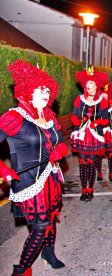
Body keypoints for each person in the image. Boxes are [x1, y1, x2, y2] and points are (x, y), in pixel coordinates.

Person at [0, 59, 68, 275]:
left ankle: (48, 253)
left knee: (51, 217)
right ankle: (21, 269)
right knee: (40, 226)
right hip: (28, 182)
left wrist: (60, 151)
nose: (46, 94)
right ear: (28, 90)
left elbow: (62, 142)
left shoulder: (49, 116)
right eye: (41, 89)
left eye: (48, 90)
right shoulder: (14, 117)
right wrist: (3, 170)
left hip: (51, 177)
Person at [71, 67, 109, 201]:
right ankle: (83, 189)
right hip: (82, 136)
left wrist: (97, 122)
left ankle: (90, 189)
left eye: (91, 83)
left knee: (91, 164)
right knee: (82, 164)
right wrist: (80, 121)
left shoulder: (102, 101)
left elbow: (106, 120)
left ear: (97, 85)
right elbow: (73, 116)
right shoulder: (79, 99)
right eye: (87, 83)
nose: (88, 86)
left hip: (95, 137)